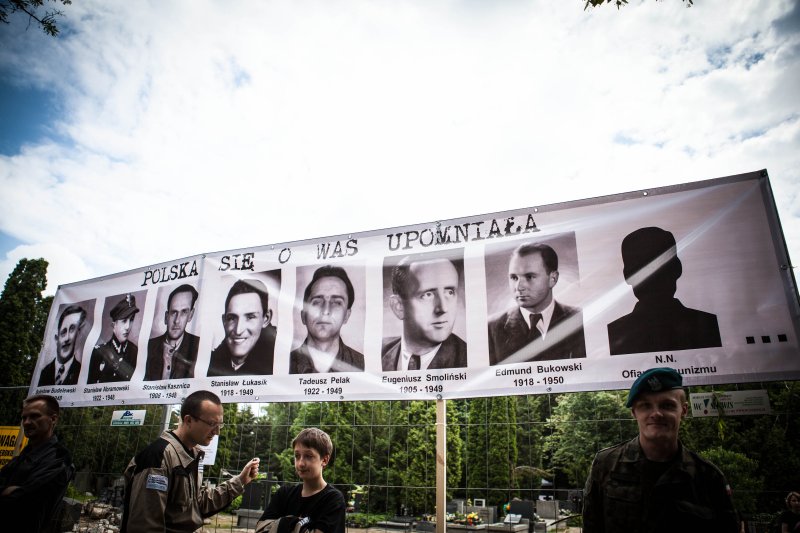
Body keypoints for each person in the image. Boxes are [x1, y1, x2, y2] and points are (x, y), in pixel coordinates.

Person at [582, 367, 739, 533]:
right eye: (645, 406)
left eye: (667, 405)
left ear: (683, 410)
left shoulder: (708, 477)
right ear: (634, 413)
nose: (656, 413)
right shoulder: (606, 464)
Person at [121, 390, 259, 532]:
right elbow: (145, 525)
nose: (217, 432)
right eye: (212, 424)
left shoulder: (192, 455)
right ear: (188, 420)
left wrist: (240, 481)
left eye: (220, 425)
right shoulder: (158, 458)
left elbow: (198, 504)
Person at [607, 227, 722, 355]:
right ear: (677, 268)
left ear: (627, 276)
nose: (653, 275)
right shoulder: (708, 326)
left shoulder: (614, 333)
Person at [487, 243, 586, 365]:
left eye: (529, 277)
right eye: (514, 277)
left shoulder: (581, 320)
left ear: (553, 279)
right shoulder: (491, 329)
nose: (519, 287)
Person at [0, 395, 74, 533]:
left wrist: (12, 490)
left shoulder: (59, 458)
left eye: (35, 416)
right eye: (24, 418)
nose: (27, 422)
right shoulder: (24, 455)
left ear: (53, 419)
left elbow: (24, 500)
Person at [382, 255, 467, 371]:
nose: (443, 308)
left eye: (449, 292)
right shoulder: (378, 354)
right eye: (427, 295)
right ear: (399, 306)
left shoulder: (468, 358)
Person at [257, 428, 345, 533]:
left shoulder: (333, 499)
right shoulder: (284, 494)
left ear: (324, 460)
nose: (300, 463)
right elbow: (260, 529)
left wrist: (280, 525)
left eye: (308, 456)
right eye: (297, 456)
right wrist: (300, 527)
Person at [290, 266, 365, 373]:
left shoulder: (363, 365)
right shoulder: (284, 363)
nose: (325, 311)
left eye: (337, 302)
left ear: (346, 315)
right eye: (317, 302)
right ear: (303, 315)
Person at [207, 279, 276, 376]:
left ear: (266, 319)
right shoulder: (208, 363)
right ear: (224, 321)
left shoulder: (279, 364)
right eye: (232, 318)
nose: (238, 330)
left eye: (250, 317)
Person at [144, 284, 200, 380]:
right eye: (174, 312)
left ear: (190, 315)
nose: (177, 321)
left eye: (184, 312)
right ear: (166, 317)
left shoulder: (199, 346)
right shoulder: (148, 346)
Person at [87, 293, 140, 383]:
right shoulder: (99, 352)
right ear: (113, 325)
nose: (128, 327)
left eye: (131, 320)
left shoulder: (135, 351)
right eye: (124, 321)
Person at [38, 304, 87, 386]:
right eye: (63, 332)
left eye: (72, 329)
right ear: (56, 339)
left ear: (79, 335)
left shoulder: (82, 372)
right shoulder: (43, 373)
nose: (67, 338)